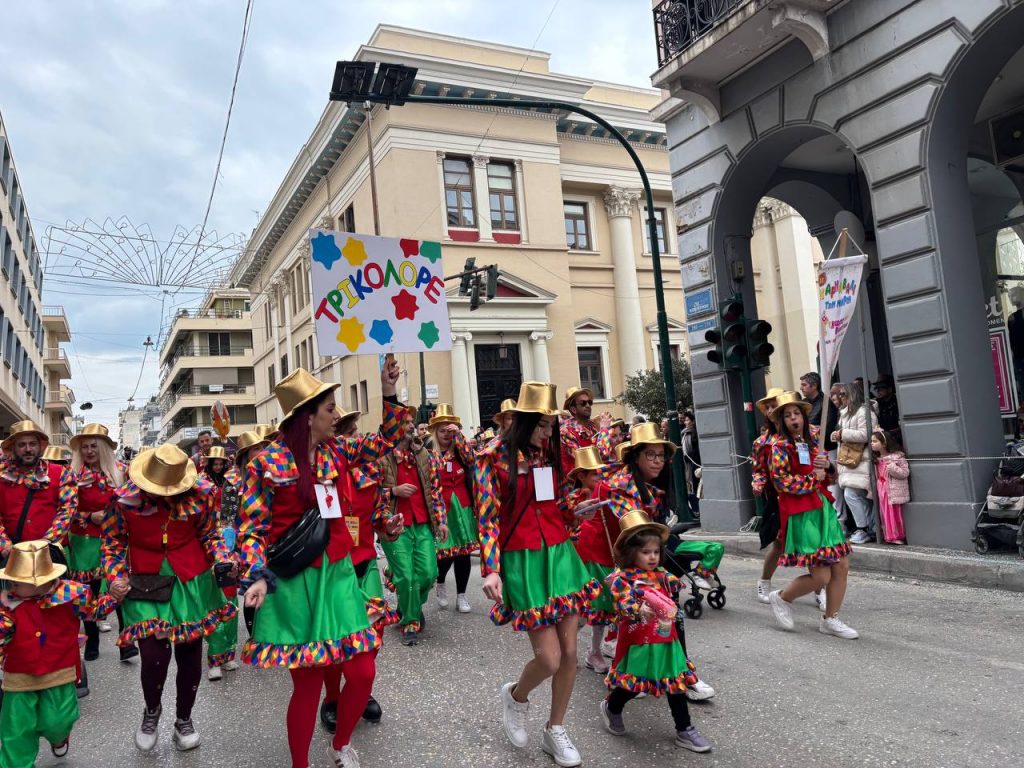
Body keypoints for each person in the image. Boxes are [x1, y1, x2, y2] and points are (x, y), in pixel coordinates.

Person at [238, 364, 403, 768]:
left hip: (340, 575)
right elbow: (251, 528)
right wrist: (257, 575)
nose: (337, 415)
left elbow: (387, 442)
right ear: (308, 415)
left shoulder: (338, 451)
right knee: (308, 685)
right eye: (330, 408)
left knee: (363, 672)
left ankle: (340, 744)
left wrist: (389, 394)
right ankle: (300, 764)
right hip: (294, 583)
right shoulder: (266, 463)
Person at [478, 381, 599, 768]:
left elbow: (557, 503)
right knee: (547, 659)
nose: (549, 432)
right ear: (525, 421)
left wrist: (579, 509)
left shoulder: (550, 454)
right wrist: (491, 568)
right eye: (543, 425)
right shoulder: (492, 457)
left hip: (561, 555)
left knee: (570, 654)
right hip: (523, 562)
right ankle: (515, 696)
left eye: (552, 425)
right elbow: (488, 518)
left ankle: (555, 728)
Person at [103, 443, 236, 752]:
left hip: (189, 579)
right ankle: (151, 710)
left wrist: (222, 558)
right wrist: (115, 576)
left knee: (189, 653)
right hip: (145, 581)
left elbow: (210, 535)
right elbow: (112, 541)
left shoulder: (201, 496)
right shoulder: (124, 501)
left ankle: (184, 719)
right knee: (153, 655)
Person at [599, 513, 712, 754]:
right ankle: (612, 707)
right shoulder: (621, 578)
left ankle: (685, 729)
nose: (652, 557)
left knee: (676, 682)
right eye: (645, 552)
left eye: (656, 552)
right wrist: (639, 609)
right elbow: (622, 604)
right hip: (639, 641)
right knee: (634, 685)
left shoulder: (662, 574)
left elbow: (675, 590)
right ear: (631, 552)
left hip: (666, 639)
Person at [0, 541, 115, 768]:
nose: (16, 584)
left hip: (59, 671)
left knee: (58, 721)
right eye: (15, 580)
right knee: (16, 730)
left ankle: (59, 737)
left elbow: (93, 612)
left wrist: (112, 597)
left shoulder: (70, 595)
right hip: (19, 677)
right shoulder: (7, 603)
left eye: (22, 581)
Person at [320, 407, 399, 734]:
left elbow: (378, 517)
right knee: (336, 641)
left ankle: (360, 688)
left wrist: (389, 527)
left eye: (354, 433)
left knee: (372, 638)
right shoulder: (321, 472)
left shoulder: (371, 473)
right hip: (334, 568)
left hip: (365, 563)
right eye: (346, 434)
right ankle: (333, 698)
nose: (354, 441)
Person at [766, 392, 857, 639]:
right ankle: (782, 597)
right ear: (781, 422)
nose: (793, 418)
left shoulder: (814, 437)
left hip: (822, 508)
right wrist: (810, 479)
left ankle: (831, 619)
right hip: (800, 513)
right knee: (821, 576)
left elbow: (829, 473)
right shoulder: (778, 447)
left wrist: (827, 467)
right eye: (787, 415)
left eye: (797, 413)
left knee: (841, 565)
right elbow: (781, 482)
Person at [376, 407, 447, 647]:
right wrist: (393, 491)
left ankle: (409, 601)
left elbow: (435, 491)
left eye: (411, 421)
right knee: (406, 577)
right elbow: (368, 492)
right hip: (393, 527)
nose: (410, 425)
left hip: (422, 523)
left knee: (427, 574)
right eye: (404, 422)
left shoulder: (425, 454)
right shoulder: (380, 456)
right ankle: (410, 622)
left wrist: (441, 520)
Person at [68, 424, 138, 666]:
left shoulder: (122, 472)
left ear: (104, 449)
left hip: (115, 540)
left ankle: (127, 643)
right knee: (88, 592)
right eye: (85, 447)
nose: (89, 451)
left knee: (120, 589)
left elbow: (134, 501)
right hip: (84, 540)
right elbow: (63, 510)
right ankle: (93, 638)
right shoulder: (73, 475)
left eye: (94, 446)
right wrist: (88, 516)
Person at [0, 421, 78, 563]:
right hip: (11, 555)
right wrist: (4, 545)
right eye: (22, 445)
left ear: (40, 447)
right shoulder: (1, 475)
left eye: (32, 444)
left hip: (48, 553)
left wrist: (47, 541)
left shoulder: (62, 473)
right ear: (13, 448)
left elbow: (67, 510)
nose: (28, 449)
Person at [566, 445, 614, 675]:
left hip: (606, 552)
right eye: (593, 473)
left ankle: (594, 651)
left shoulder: (606, 491)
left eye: (600, 472)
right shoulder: (574, 498)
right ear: (581, 475)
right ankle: (569, 649)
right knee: (585, 608)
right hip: (585, 554)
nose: (599, 476)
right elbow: (568, 523)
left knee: (603, 607)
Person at [430, 404, 478, 615]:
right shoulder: (429, 455)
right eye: (443, 431)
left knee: (463, 553)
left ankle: (461, 594)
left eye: (450, 431)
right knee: (445, 553)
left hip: (463, 507)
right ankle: (440, 583)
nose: (447, 435)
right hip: (442, 509)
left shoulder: (460, 452)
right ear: (435, 432)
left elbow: (471, 459)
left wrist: (459, 435)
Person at [200, 446, 239, 682]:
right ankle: (215, 657)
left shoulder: (233, 483)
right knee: (214, 604)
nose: (217, 466)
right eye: (214, 463)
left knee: (231, 600)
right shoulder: (200, 484)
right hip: (207, 548)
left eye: (220, 463)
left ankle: (229, 652)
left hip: (231, 545)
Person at [832, 383, 877, 544]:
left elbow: (867, 434)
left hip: (861, 460)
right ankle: (870, 529)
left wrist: (843, 434)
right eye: (839, 394)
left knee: (851, 494)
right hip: (851, 461)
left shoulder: (864, 411)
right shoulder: (846, 413)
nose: (840, 397)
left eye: (843, 394)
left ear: (853, 394)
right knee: (861, 497)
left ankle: (863, 529)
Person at [871, 430, 909, 544]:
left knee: (894, 513)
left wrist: (892, 467)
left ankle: (898, 536)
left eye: (874, 441)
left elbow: (905, 472)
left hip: (892, 489)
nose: (871, 443)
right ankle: (889, 535)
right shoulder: (875, 459)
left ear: (884, 443)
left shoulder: (897, 457)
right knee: (884, 513)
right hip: (881, 489)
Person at [559, 386, 597, 476]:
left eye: (589, 402)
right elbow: (587, 460)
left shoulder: (593, 427)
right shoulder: (566, 431)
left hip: (594, 479)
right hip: (575, 485)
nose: (588, 405)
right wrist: (604, 432)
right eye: (583, 403)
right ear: (573, 409)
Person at [800, 372, 838, 451]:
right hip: (807, 446)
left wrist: (813, 429)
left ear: (814, 386)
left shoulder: (826, 403)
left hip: (825, 448)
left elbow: (829, 429)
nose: (801, 388)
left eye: (804, 385)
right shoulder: (803, 403)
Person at [680, 411, 701, 518]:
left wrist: (689, 456)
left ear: (693, 421)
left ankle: (697, 509)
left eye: (688, 420)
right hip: (686, 465)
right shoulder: (683, 433)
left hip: (693, 464)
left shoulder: (694, 433)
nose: (685, 422)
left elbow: (697, 450)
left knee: (694, 486)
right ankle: (695, 509)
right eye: (685, 420)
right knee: (689, 487)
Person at [872, 374, 901, 441]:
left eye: (881, 388)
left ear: (890, 389)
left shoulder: (897, 402)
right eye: (877, 389)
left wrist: (889, 433)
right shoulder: (877, 403)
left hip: (897, 439)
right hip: (883, 439)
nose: (878, 391)